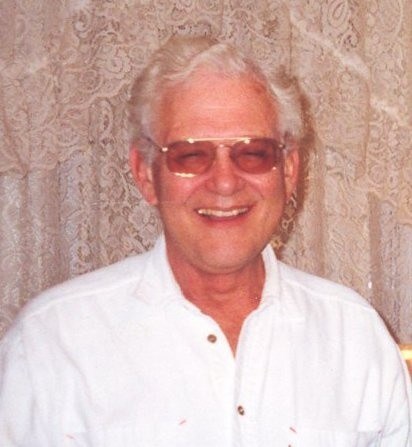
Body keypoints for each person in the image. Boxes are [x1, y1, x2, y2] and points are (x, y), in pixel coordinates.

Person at [0, 36, 410, 447]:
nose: (225, 183)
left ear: (288, 171)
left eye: (253, 153)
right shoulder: (51, 345)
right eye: (191, 156)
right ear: (145, 174)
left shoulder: (355, 339)